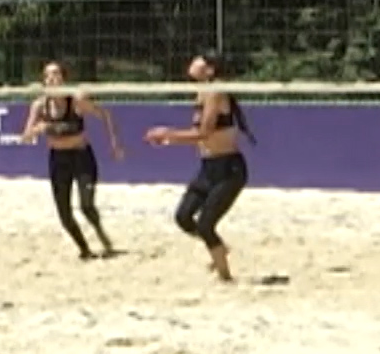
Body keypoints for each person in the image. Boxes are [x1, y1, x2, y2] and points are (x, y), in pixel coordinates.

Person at [145, 52, 255, 283]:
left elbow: (204, 133)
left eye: (199, 60)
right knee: (183, 217)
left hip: (229, 169)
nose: (192, 62)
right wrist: (170, 136)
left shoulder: (215, 91)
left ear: (210, 69)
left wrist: (168, 135)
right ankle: (219, 247)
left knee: (206, 224)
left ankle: (225, 277)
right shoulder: (202, 92)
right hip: (208, 167)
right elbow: (202, 135)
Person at [20, 60, 122, 260]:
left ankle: (99, 231)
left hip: (81, 156)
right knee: (64, 215)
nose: (52, 78)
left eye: (56, 74)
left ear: (64, 79)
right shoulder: (40, 105)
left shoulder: (75, 100)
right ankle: (85, 249)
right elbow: (26, 137)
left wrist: (115, 145)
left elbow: (106, 115)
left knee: (86, 206)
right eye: (48, 75)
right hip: (58, 160)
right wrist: (37, 129)